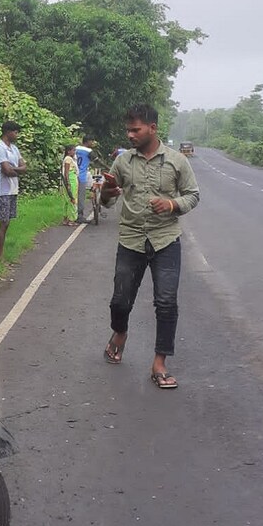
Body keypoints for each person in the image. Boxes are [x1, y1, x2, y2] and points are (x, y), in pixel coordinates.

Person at [100, 104, 200, 389]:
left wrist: (171, 204)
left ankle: (159, 362)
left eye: (136, 129)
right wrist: (107, 193)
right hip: (130, 239)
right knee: (120, 300)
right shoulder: (122, 163)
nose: (130, 135)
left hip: (165, 239)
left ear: (153, 128)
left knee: (166, 302)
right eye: (128, 130)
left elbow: (193, 196)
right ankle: (119, 333)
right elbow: (107, 201)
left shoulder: (177, 161)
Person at [0, 121, 26, 259]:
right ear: (8, 132)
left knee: (8, 222)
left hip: (13, 189)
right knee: (4, 222)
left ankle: (0, 252)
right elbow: (6, 170)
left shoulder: (14, 148)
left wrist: (14, 170)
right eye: (15, 132)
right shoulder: (0, 148)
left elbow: (24, 166)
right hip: (3, 190)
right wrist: (17, 170)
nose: (17, 135)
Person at [75, 136, 96, 223]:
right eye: (92, 141)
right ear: (87, 142)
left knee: (73, 196)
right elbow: (96, 160)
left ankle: (72, 214)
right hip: (82, 176)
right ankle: (80, 216)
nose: (92, 143)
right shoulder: (89, 151)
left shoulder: (75, 148)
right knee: (81, 196)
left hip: (73, 174)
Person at [61, 145, 79, 225]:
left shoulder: (68, 159)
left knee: (66, 199)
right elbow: (66, 172)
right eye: (73, 150)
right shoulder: (68, 159)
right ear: (69, 151)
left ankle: (65, 218)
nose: (74, 152)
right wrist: (68, 182)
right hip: (71, 180)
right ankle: (72, 219)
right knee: (72, 199)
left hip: (69, 180)